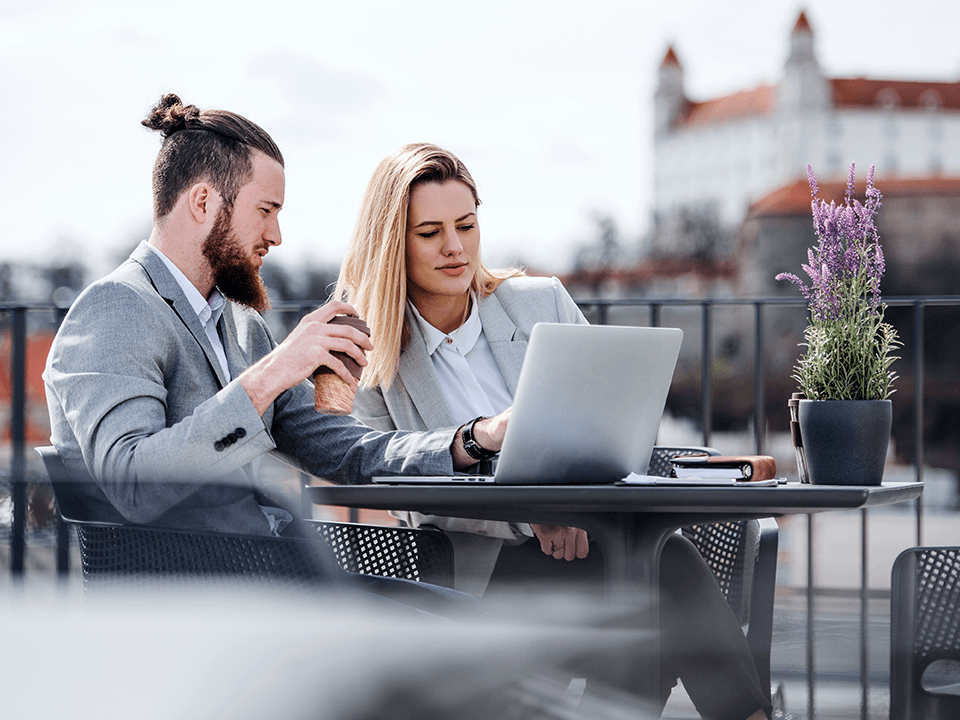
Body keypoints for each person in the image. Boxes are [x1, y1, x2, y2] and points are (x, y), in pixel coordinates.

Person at [333, 143, 772, 720]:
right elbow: (383, 469)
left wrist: (578, 511)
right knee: (657, 574)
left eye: (466, 225)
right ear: (393, 244)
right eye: (430, 232)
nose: (455, 247)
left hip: (592, 538)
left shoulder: (539, 303)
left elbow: (615, 426)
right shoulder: (369, 352)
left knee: (644, 585)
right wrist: (522, 502)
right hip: (479, 573)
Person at [42, 97, 505, 610]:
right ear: (202, 203)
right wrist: (273, 373)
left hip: (278, 577)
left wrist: (474, 439)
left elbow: (348, 451)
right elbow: (134, 482)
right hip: (200, 603)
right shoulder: (116, 308)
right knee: (463, 638)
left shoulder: (239, 325)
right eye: (265, 211)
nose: (276, 235)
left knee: (477, 619)